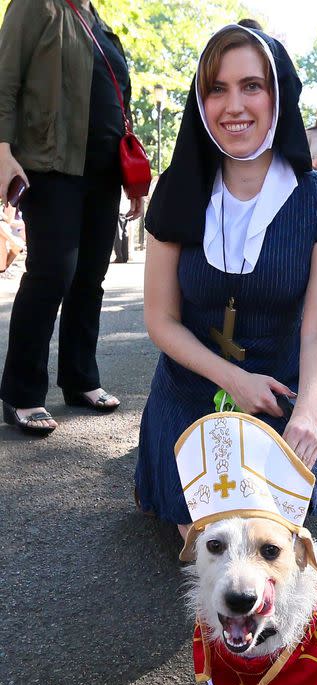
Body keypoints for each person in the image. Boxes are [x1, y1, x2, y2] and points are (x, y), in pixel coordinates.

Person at [135, 24, 317, 539]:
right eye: (217, 88)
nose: (233, 105)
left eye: (251, 86)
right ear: (201, 100)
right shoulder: (178, 190)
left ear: (278, 96)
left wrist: (307, 414)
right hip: (189, 396)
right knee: (212, 540)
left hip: (278, 401)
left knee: (268, 542)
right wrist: (232, 378)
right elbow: (160, 320)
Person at [0, 0, 142, 436]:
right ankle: (21, 392)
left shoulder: (96, 18)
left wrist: (130, 176)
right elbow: (4, 81)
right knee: (52, 273)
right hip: (51, 164)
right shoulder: (35, 5)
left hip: (102, 171)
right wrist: (3, 153)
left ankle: (80, 379)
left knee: (90, 276)